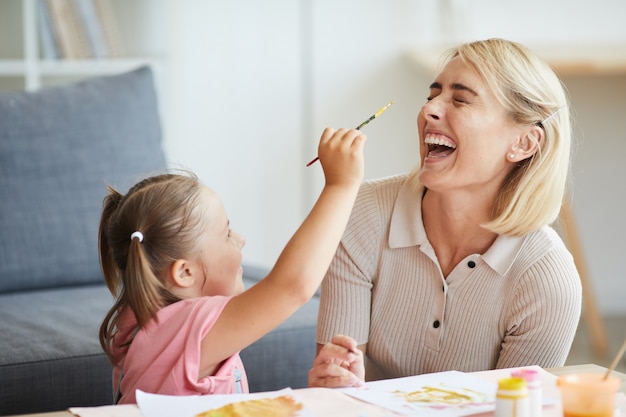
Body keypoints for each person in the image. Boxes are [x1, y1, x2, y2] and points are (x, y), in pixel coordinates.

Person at [309, 38, 582, 388]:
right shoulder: (362, 213)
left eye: (460, 99)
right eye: (432, 95)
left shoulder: (546, 279)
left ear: (523, 143)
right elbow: (337, 390)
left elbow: (514, 410)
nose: (429, 110)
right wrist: (336, 385)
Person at [98, 127, 366, 403]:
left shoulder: (140, 320)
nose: (240, 240)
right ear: (184, 272)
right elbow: (291, 287)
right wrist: (341, 185)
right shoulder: (188, 327)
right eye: (227, 233)